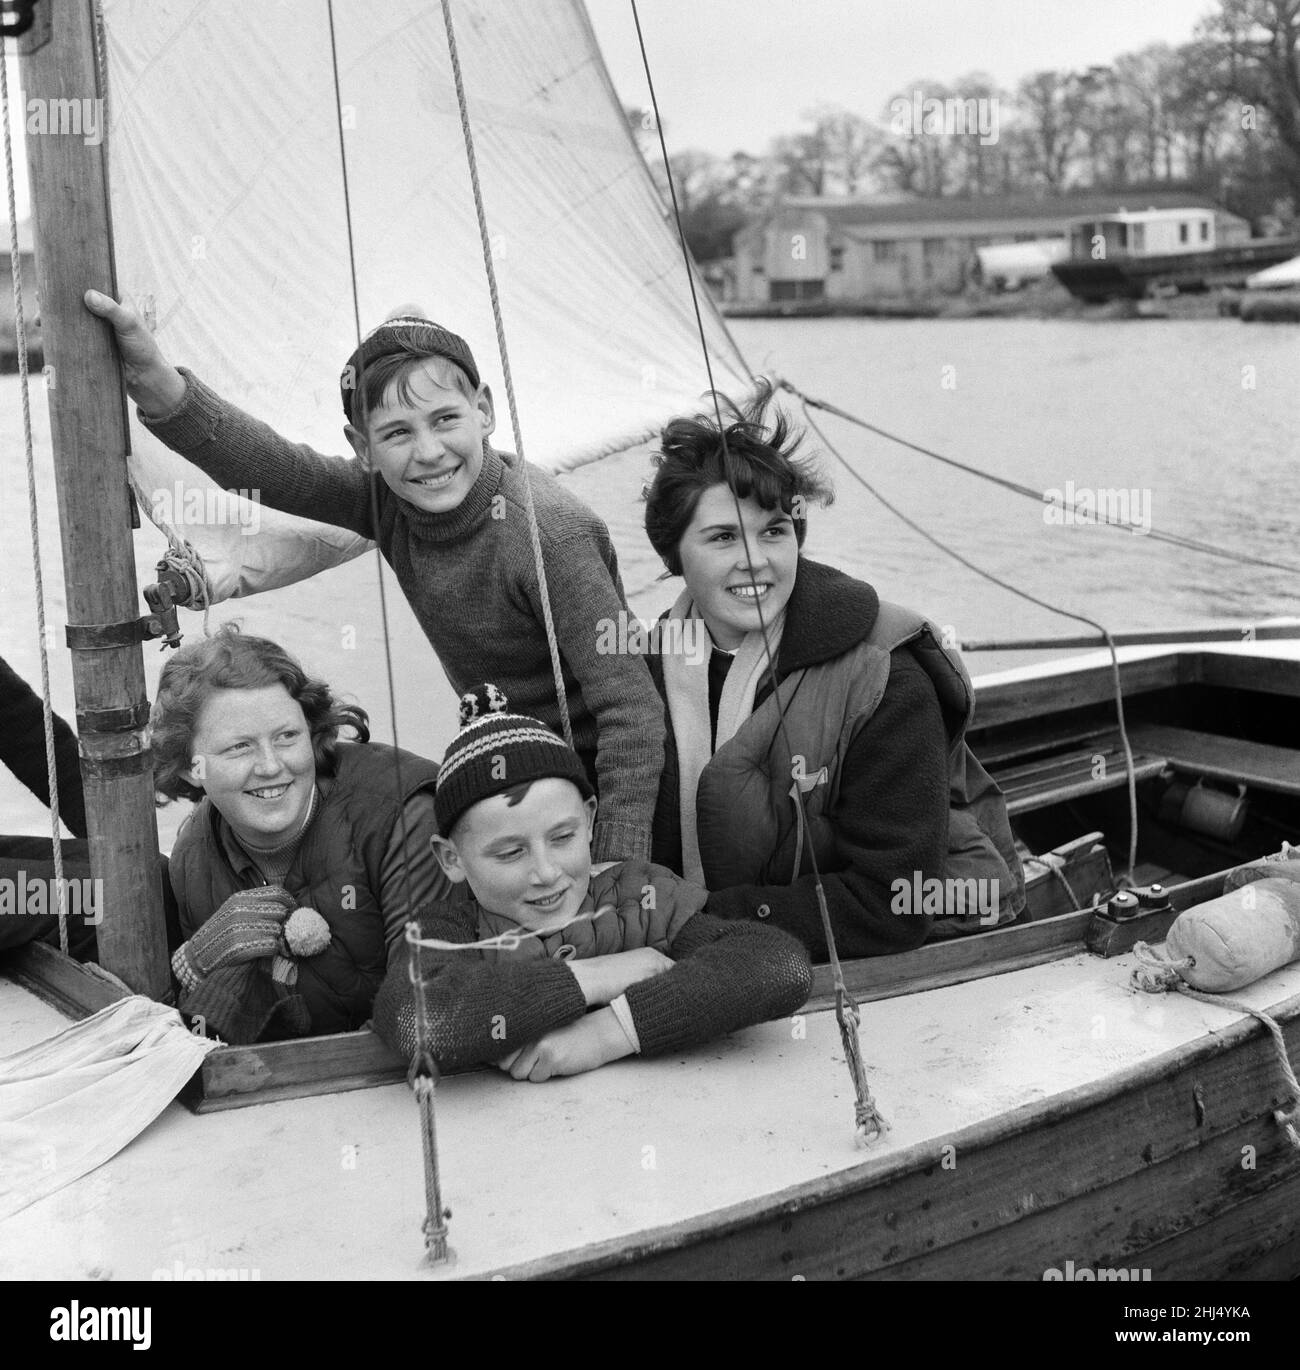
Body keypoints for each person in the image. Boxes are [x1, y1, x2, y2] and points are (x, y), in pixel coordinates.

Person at [82, 292, 665, 865]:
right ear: (363, 448)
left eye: (445, 420)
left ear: (484, 410)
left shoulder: (550, 537)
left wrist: (617, 863)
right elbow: (270, 467)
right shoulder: (387, 500)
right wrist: (157, 383)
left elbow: (632, 709)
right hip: (514, 777)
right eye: (397, 433)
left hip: (611, 789)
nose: (429, 451)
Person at [642, 383, 1025, 962]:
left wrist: (693, 924)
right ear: (673, 556)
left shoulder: (887, 677)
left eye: (774, 531)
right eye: (723, 537)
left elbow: (891, 901)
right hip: (712, 945)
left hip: (897, 954)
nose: (756, 559)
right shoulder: (643, 669)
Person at [371, 685, 811, 1081]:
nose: (545, 872)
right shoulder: (448, 933)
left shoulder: (643, 899)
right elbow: (417, 1022)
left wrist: (607, 1033)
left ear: (589, 819)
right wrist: (596, 976)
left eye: (562, 837)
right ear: (451, 859)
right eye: (510, 852)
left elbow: (779, 966)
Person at [151, 624, 449, 1043]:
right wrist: (194, 966)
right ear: (189, 768)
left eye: (287, 736)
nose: (271, 766)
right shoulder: (191, 859)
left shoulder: (402, 816)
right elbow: (210, 1040)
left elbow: (426, 1005)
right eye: (240, 747)